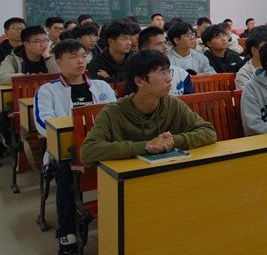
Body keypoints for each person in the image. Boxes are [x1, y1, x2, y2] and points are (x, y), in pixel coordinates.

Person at [33, 39, 117, 255]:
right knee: (67, 171)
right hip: (66, 151)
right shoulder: (47, 91)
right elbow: (44, 124)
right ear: (59, 62)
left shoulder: (101, 87)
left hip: (103, 146)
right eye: (73, 57)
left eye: (82, 56)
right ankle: (67, 240)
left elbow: (115, 116)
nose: (80, 61)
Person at [80, 50, 217, 167]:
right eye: (162, 73)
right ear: (140, 81)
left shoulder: (172, 104)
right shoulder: (113, 112)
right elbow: (88, 151)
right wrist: (146, 146)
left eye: (168, 71)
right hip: (130, 178)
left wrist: (173, 141)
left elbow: (209, 132)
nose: (169, 78)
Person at [134, 26, 194, 96]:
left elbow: (189, 100)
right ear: (144, 49)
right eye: (159, 44)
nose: (165, 47)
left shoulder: (182, 74)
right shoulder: (137, 76)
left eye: (165, 43)